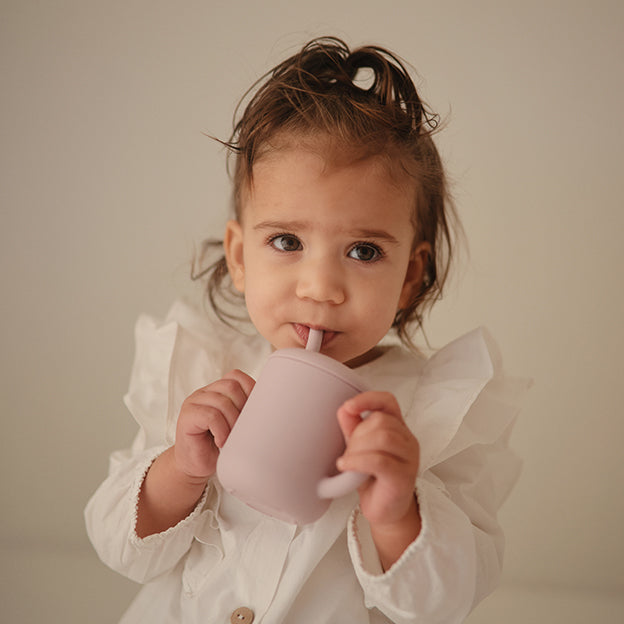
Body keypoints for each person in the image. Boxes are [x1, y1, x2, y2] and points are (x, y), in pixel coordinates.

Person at [85, 37, 528, 624]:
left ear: (409, 277)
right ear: (240, 258)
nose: (320, 286)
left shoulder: (429, 414)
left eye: (364, 250)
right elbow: (118, 547)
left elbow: (445, 600)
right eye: (287, 242)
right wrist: (179, 470)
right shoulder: (202, 377)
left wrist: (398, 513)